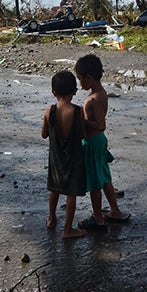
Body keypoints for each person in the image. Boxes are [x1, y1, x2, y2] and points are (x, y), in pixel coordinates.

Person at [74, 53, 130, 229]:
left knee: (95, 182)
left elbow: (100, 125)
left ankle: (98, 218)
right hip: (98, 141)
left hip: (93, 141)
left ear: (89, 78)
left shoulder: (93, 99)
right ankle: (115, 211)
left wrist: (81, 121)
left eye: (80, 79)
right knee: (104, 177)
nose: (79, 83)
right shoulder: (101, 93)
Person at [41, 70, 87, 239]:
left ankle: (52, 218)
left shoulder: (49, 111)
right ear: (74, 91)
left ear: (54, 93)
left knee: (54, 189)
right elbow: (82, 134)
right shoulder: (77, 111)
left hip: (56, 160)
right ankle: (68, 229)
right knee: (71, 194)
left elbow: (44, 134)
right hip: (73, 159)